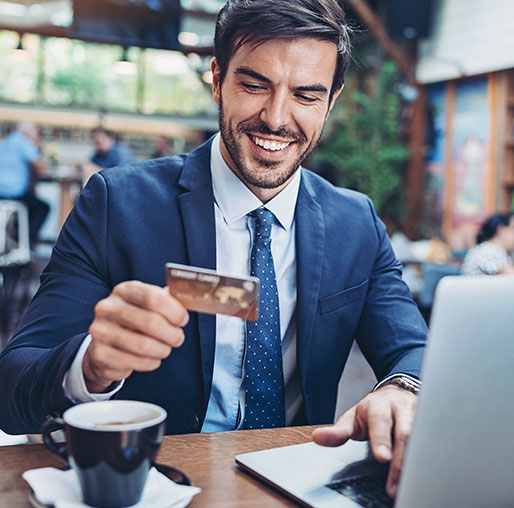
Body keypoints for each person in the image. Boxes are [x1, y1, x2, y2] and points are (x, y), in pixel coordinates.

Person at [0, 0, 427, 498]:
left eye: (306, 95)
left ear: (331, 100)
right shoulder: (117, 203)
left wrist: (402, 390)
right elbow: (12, 388)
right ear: (218, 78)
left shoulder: (357, 223)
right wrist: (89, 366)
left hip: (296, 485)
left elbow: (413, 350)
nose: (276, 118)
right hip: (159, 483)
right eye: (254, 85)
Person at [0, 121, 50, 243]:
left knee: (29, 204)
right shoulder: (24, 143)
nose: (37, 135)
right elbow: (40, 168)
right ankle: (26, 243)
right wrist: (38, 145)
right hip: (12, 192)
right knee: (43, 208)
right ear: (28, 132)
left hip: (2, 191)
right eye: (36, 132)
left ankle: (14, 239)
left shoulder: (8, 141)